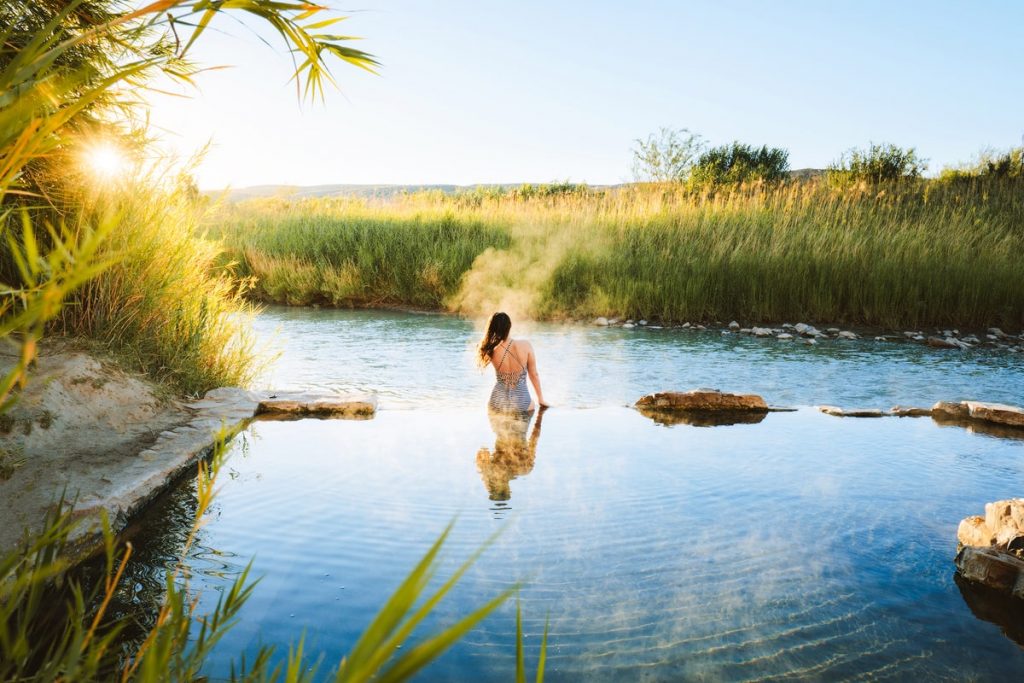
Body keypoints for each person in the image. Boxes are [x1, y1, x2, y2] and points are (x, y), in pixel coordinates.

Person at [478, 311, 548, 413]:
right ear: (509, 326)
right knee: (532, 406)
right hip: (521, 403)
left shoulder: (491, 350)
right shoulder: (526, 345)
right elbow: (534, 375)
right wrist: (541, 400)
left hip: (497, 403)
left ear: (492, 329)